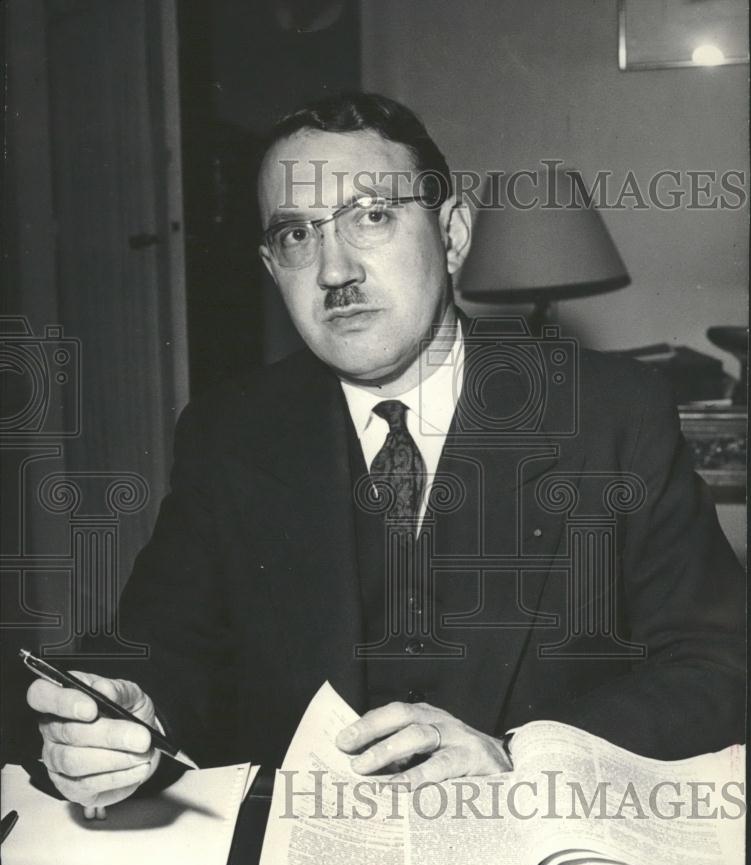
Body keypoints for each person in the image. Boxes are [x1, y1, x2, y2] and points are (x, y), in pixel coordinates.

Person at [27, 93, 745, 816]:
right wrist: (128, 711)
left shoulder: (609, 415)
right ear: (272, 267)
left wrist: (523, 755)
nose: (334, 269)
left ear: (453, 233)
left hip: (545, 863)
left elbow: (717, 665)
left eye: (371, 216)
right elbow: (162, 646)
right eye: (297, 236)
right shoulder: (228, 433)